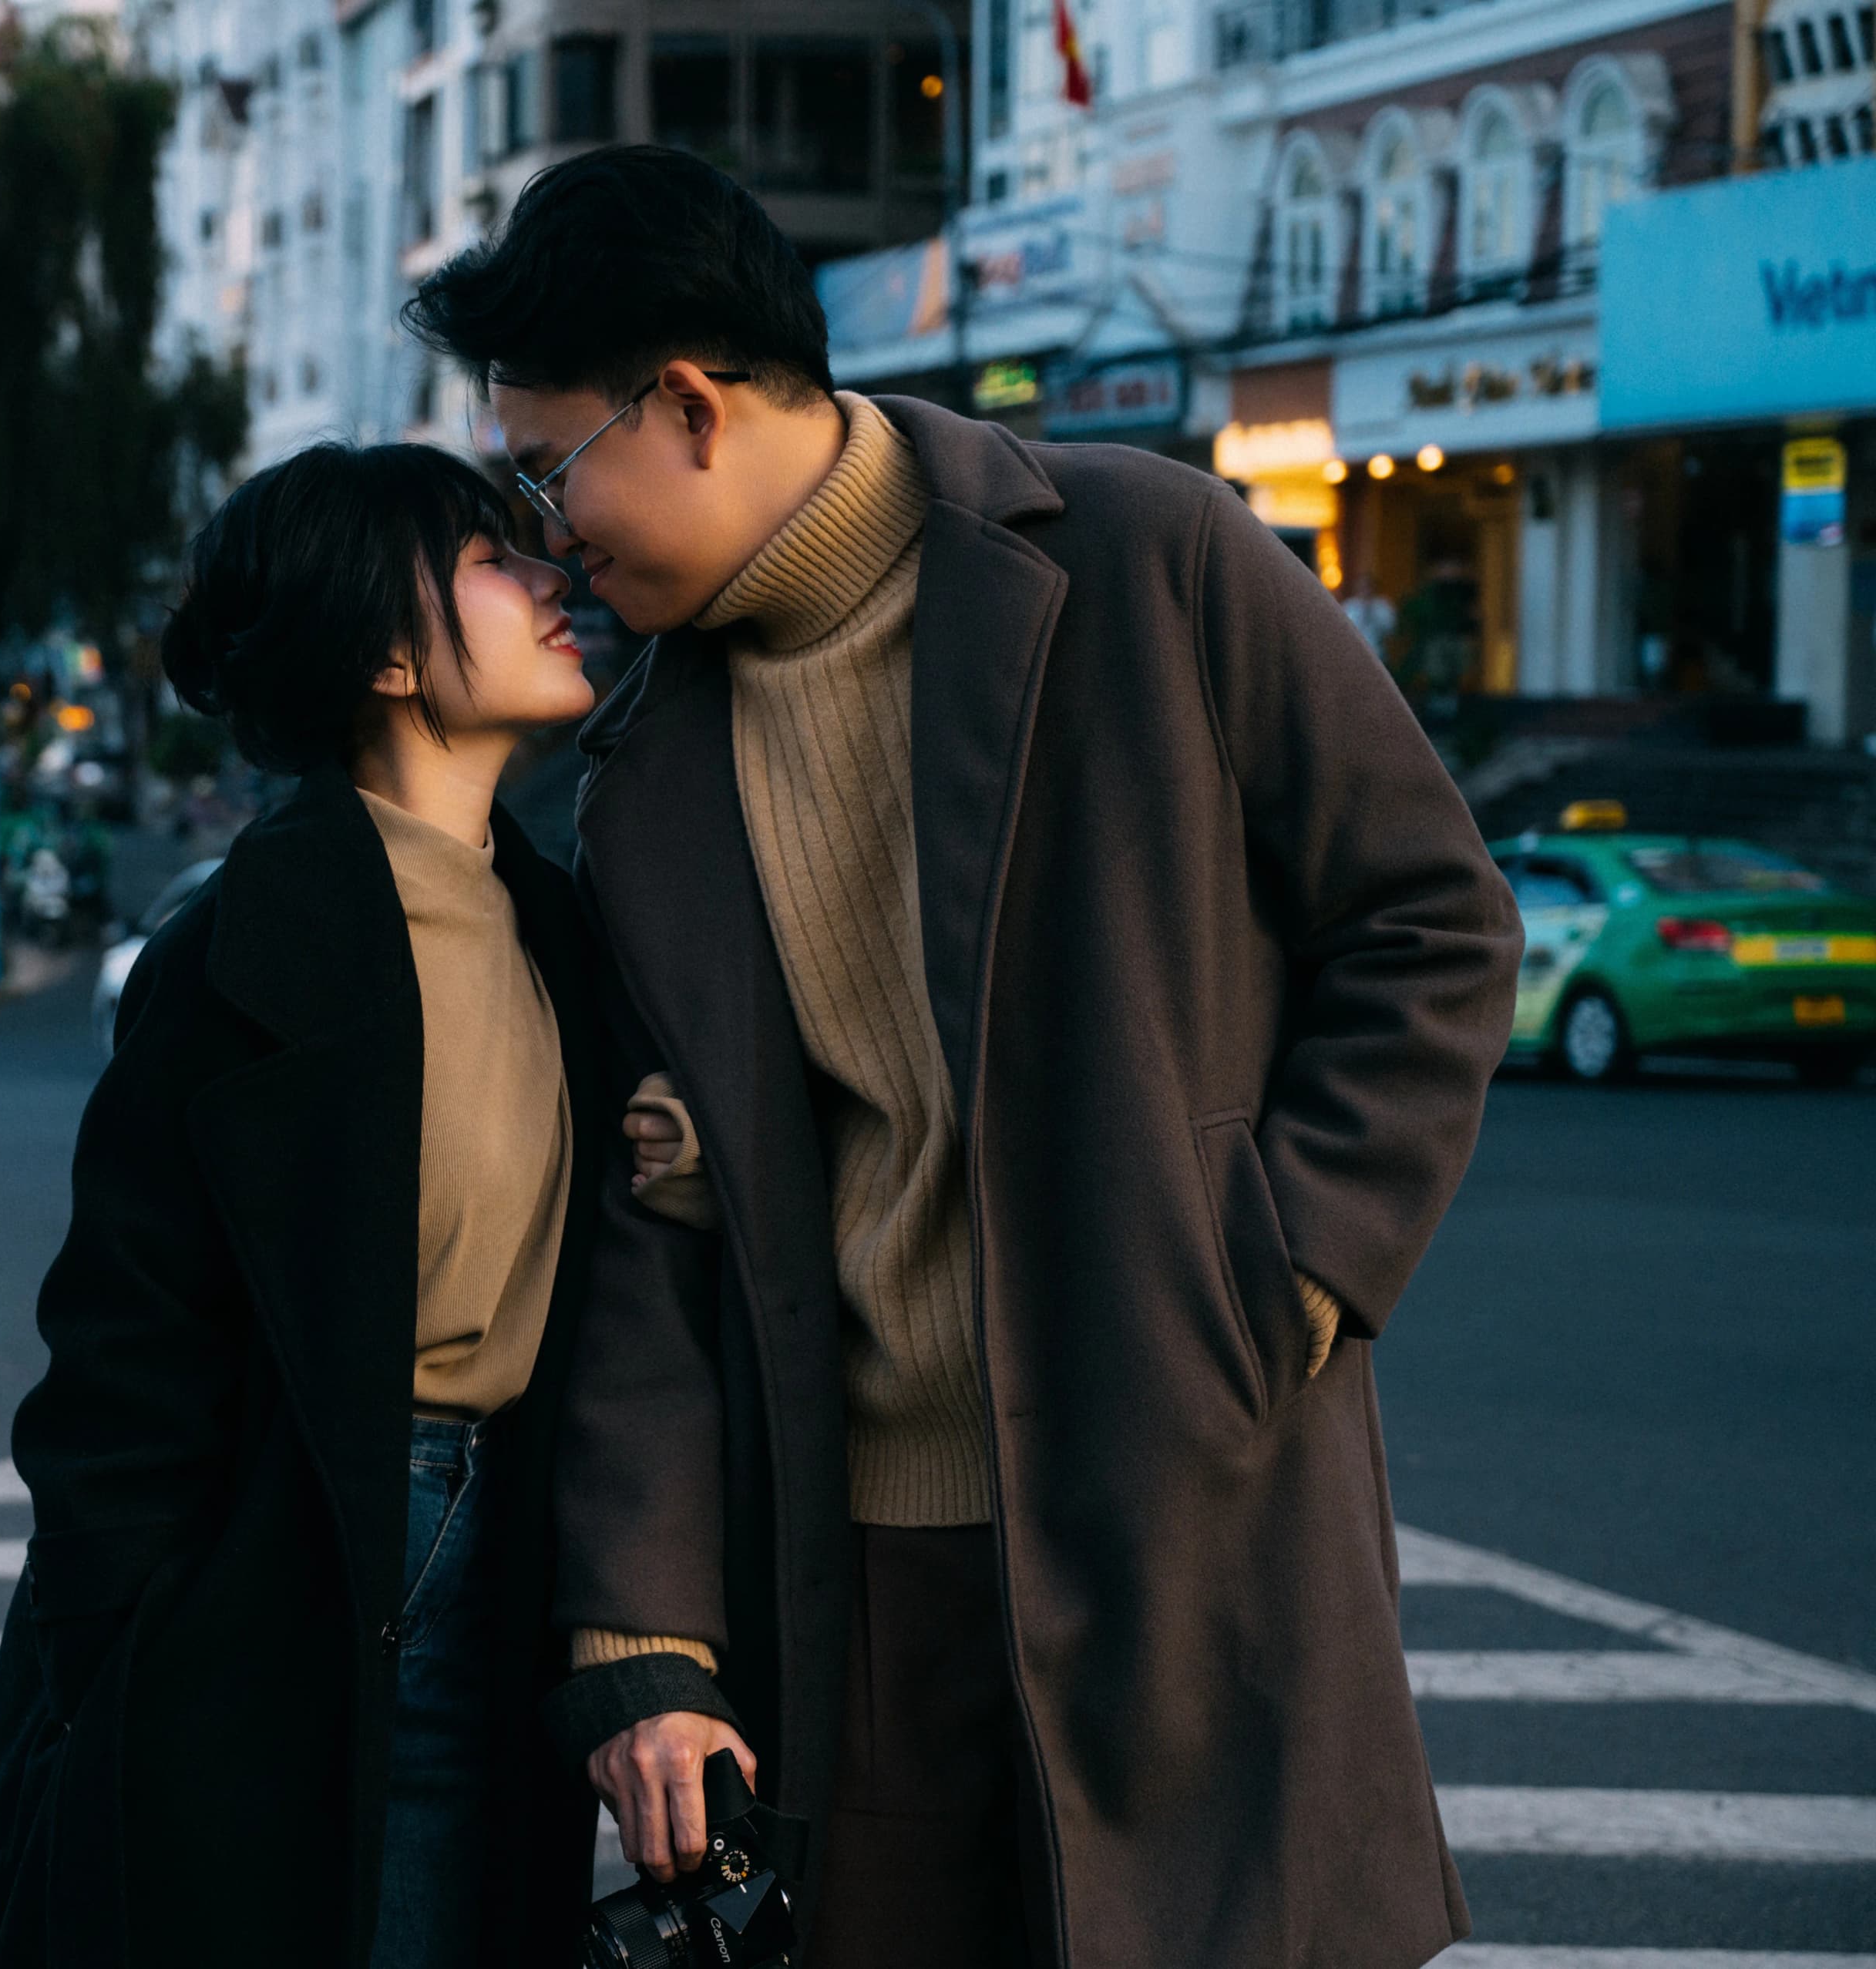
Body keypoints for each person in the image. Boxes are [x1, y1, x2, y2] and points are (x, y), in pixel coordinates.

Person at [404, 146, 1523, 1968]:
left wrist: (1285, 1275)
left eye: (549, 468)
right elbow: (654, 1219)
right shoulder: (645, 769)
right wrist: (643, 1631)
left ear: (685, 403)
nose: (547, 535)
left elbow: (1431, 920)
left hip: (1182, 1505)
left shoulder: (1148, 556)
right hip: (848, 1583)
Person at [0, 442, 614, 1969]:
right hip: (280, 1580)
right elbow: (122, 1349)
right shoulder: (246, 939)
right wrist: (132, 1656)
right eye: (495, 564)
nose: (551, 580)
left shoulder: (563, 919)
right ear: (385, 653)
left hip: (509, 1562)